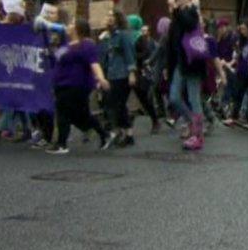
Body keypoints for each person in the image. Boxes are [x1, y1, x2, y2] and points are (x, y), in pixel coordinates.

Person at [46, 19, 114, 155]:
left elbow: (94, 63)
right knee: (79, 114)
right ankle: (104, 134)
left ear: (78, 29)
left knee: (63, 113)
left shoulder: (86, 45)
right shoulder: (65, 44)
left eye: (71, 24)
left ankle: (62, 144)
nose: (68, 26)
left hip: (76, 85)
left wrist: (101, 78)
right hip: (61, 84)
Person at [167, 0, 208, 150]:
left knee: (193, 98)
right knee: (174, 97)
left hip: (193, 62)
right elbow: (172, 42)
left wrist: (176, 10)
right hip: (180, 62)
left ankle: (198, 136)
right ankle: (192, 122)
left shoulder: (192, 12)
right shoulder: (177, 16)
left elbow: (190, 24)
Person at [101, 10, 137, 148]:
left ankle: (128, 134)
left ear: (117, 19)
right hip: (112, 74)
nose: (109, 18)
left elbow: (129, 54)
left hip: (122, 74)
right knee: (114, 104)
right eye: (108, 15)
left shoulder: (123, 35)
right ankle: (124, 132)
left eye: (112, 16)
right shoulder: (109, 36)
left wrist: (132, 73)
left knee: (119, 105)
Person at [131, 17, 161, 134]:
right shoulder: (127, 36)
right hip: (127, 71)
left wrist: (133, 57)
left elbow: (145, 53)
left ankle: (155, 120)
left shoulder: (140, 38)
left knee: (144, 99)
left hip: (139, 72)